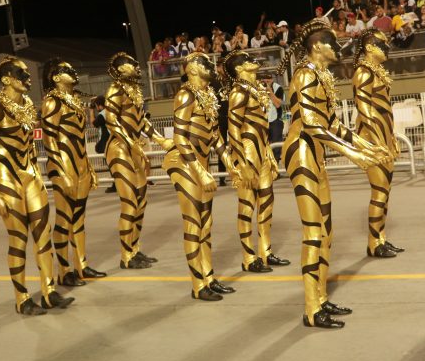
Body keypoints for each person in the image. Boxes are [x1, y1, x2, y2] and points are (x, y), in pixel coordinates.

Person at [278, 18, 389, 328]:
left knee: (326, 233)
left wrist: (367, 147)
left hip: (314, 154)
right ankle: (312, 309)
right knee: (314, 233)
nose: (339, 47)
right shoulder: (304, 76)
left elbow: (334, 125)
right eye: (333, 43)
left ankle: (321, 298)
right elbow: (311, 125)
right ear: (317, 47)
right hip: (301, 154)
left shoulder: (321, 76)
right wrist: (353, 153)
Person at [0, 56, 74, 316]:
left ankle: (49, 292)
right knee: (18, 239)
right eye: (21, 73)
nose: (28, 77)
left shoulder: (28, 104)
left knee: (43, 234)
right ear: (7, 79)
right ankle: (22, 297)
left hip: (31, 175)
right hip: (6, 176)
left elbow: (30, 143)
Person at [163, 52, 240, 300]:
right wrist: (200, 171)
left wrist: (229, 163)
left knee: (206, 223)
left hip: (200, 164)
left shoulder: (207, 95)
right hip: (185, 163)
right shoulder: (185, 95)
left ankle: (208, 276)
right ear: (192, 68)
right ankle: (198, 285)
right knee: (194, 224)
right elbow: (180, 137)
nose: (211, 66)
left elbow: (215, 136)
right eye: (206, 62)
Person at [220, 51, 290, 273]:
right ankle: (249, 257)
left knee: (267, 202)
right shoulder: (238, 92)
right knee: (247, 205)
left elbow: (263, 124)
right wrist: (242, 162)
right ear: (239, 69)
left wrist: (267, 151)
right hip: (248, 152)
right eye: (248, 61)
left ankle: (266, 252)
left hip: (262, 149)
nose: (254, 63)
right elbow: (233, 129)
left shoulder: (256, 89)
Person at [40, 58, 107, 286]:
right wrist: (60, 169)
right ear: (57, 77)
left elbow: (81, 137)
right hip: (63, 167)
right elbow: (49, 140)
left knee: (79, 218)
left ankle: (82, 266)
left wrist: (88, 166)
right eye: (68, 71)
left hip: (80, 166)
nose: (73, 73)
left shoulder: (75, 101)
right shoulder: (52, 102)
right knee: (64, 218)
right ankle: (64, 271)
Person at [104, 52, 173, 269]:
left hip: (133, 148)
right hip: (119, 149)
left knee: (141, 202)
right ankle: (126, 255)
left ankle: (135, 248)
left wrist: (161, 140)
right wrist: (130, 142)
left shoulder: (134, 90)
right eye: (130, 64)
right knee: (130, 203)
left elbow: (141, 121)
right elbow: (111, 120)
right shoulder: (115, 89)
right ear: (120, 69)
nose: (135, 65)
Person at [352, 29, 405, 258]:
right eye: (382, 44)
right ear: (370, 48)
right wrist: (377, 141)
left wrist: (390, 137)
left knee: (386, 191)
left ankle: (380, 237)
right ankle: (374, 243)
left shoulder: (377, 72)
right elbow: (363, 108)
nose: (387, 48)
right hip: (372, 139)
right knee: (380, 190)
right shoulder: (363, 72)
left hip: (383, 137)